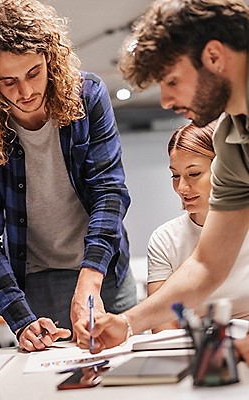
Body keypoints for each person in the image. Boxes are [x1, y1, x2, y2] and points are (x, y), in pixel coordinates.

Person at [0, 0, 137, 352]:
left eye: (34, 73)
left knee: (126, 371)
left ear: (50, 60)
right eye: (8, 81)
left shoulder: (87, 98)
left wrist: (90, 278)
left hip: (103, 271)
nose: (26, 92)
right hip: (35, 281)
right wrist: (21, 319)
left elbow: (109, 191)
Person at [74, 0, 249, 364]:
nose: (167, 100)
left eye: (172, 81)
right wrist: (127, 321)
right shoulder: (233, 138)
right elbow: (206, 264)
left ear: (214, 56)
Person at [148, 121, 249, 333]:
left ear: (225, 169)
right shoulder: (165, 238)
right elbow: (161, 325)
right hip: (197, 354)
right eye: (175, 176)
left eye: (193, 174)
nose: (182, 187)